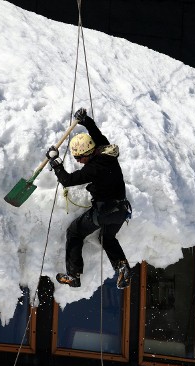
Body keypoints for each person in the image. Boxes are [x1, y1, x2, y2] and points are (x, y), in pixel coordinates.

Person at [45, 108, 133, 289]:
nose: (78, 161)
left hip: (104, 211)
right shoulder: (105, 150)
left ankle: (73, 275)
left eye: (78, 157)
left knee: (75, 232)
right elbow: (96, 132)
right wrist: (85, 120)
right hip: (122, 210)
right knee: (107, 238)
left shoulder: (93, 168)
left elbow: (68, 180)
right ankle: (122, 265)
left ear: (86, 154)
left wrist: (55, 163)